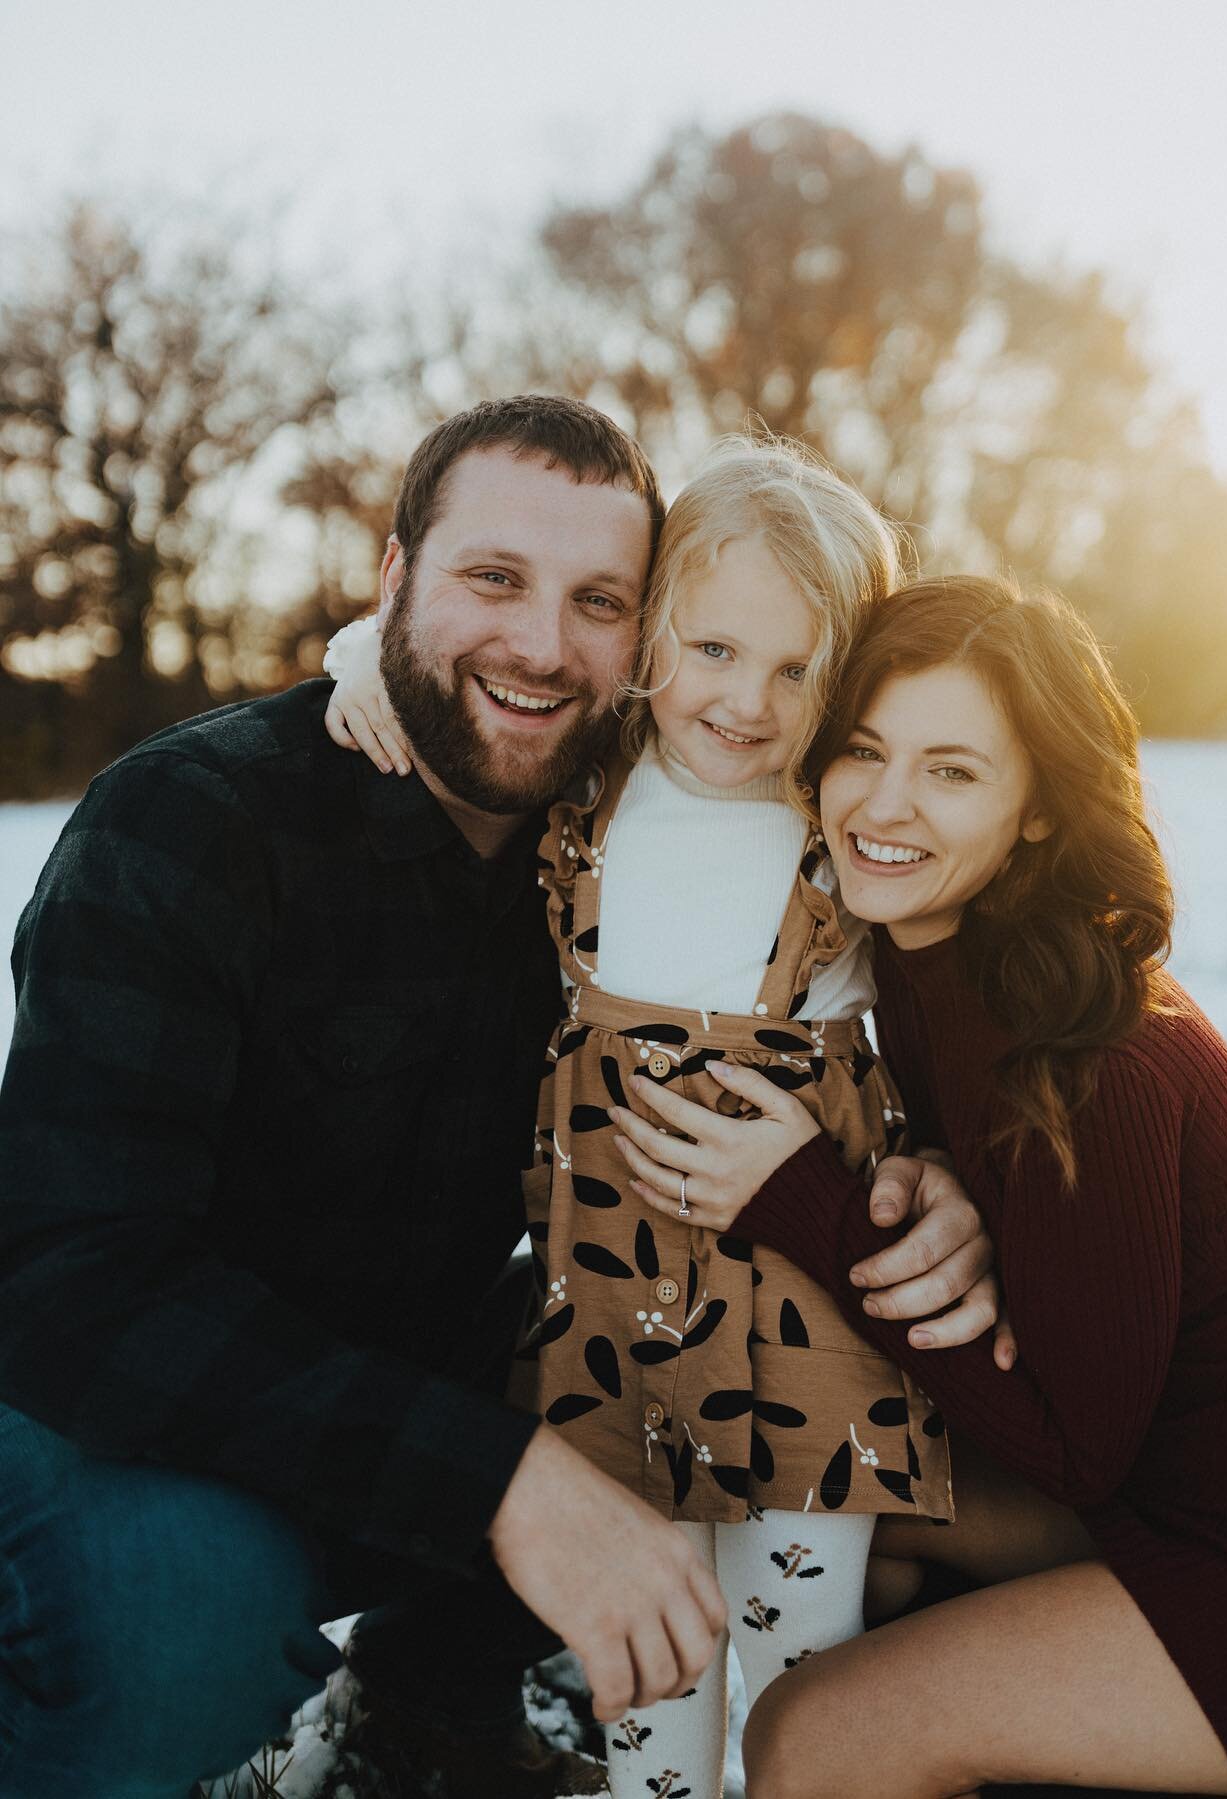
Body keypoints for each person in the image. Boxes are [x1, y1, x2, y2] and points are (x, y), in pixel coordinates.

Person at [0, 400, 1000, 1799]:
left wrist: (933, 1177)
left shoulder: (603, 809)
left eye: (598, 599)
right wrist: (502, 1480)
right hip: (128, 1395)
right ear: (393, 569)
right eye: (492, 579)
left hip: (444, 1352)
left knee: (679, 1386)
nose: (541, 644)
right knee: (188, 1609)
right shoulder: (192, 825)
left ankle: (422, 1700)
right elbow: (71, 1282)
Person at [611, 576, 1227, 1799]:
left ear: (1040, 808)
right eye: (865, 750)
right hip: (1185, 1497)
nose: (885, 805)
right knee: (828, 1516)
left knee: (811, 1737)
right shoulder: (915, 963)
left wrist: (804, 1200)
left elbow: (1074, 1447)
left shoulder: (1093, 1050)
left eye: (952, 771)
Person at [323, 437, 978, 1799]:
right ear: (653, 632)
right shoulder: (601, 770)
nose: (747, 702)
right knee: (647, 1655)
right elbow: (428, 644)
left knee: (804, 1671)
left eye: (801, 669)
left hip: (806, 1324)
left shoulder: (846, 818)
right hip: (612, 1318)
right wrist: (352, 661)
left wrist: (941, 1166)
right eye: (716, 648)